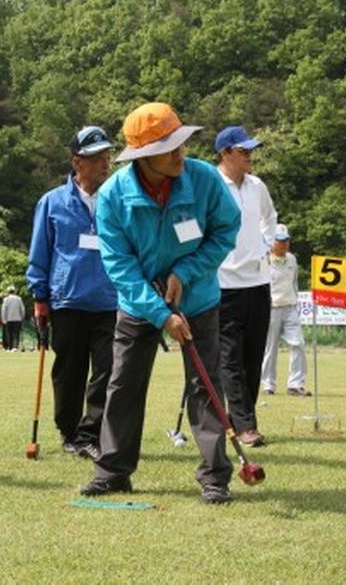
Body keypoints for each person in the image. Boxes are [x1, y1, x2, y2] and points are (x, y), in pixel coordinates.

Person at [80, 102, 240, 504]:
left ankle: (215, 476)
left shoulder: (203, 179)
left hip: (198, 298)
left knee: (205, 384)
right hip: (139, 303)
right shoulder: (113, 195)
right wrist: (160, 313)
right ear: (144, 155)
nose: (180, 153)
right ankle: (113, 471)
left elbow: (225, 230)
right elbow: (119, 265)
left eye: (180, 143)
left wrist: (185, 272)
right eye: (169, 148)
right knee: (123, 384)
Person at [27, 126, 119, 460]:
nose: (105, 164)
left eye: (107, 157)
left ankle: (90, 432)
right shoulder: (52, 202)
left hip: (109, 300)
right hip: (67, 299)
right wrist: (39, 296)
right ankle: (69, 432)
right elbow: (40, 252)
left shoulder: (116, 200)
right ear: (77, 162)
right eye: (96, 158)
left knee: (108, 369)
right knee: (69, 371)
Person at [214, 126, 279, 447]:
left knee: (253, 357)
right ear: (225, 154)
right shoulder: (212, 185)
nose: (250, 156)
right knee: (230, 358)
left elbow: (270, 218)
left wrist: (266, 245)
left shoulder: (257, 186)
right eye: (243, 151)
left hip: (258, 281)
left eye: (251, 150)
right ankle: (245, 426)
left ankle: (242, 418)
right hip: (223, 283)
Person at [260, 224, 310, 396]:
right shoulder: (264, 260)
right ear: (271, 242)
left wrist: (295, 303)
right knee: (270, 348)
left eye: (286, 240)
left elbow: (294, 283)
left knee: (298, 344)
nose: (284, 244)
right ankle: (268, 385)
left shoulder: (292, 259)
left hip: (290, 307)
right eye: (280, 241)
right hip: (271, 309)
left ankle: (295, 384)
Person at [0, 286, 25, 352]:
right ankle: (15, 346)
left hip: (8, 319)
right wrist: (22, 317)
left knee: (9, 333)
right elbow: (22, 309)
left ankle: (10, 347)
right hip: (17, 319)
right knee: (16, 333)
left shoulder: (6, 299)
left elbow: (3, 309)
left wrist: (3, 318)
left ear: (8, 292)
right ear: (14, 291)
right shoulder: (19, 299)